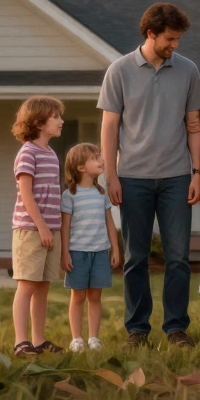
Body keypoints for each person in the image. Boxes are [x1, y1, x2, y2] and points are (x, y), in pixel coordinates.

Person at [98, 2, 200, 349]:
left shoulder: (187, 70)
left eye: (177, 39)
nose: (175, 44)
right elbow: (110, 126)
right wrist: (111, 177)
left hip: (176, 177)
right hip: (132, 178)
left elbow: (193, 126)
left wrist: (197, 173)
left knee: (177, 258)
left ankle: (176, 328)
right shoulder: (119, 70)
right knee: (136, 258)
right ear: (151, 34)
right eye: (170, 38)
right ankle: (137, 330)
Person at [9, 95, 66, 357]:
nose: (61, 121)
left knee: (43, 285)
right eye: (56, 117)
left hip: (49, 229)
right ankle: (21, 342)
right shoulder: (27, 153)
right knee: (27, 285)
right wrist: (41, 226)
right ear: (39, 122)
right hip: (31, 230)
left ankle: (39, 340)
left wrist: (52, 228)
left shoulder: (51, 154)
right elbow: (27, 194)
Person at [60, 143, 121, 352]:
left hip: (100, 253)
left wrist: (115, 248)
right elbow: (65, 227)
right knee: (77, 297)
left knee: (95, 297)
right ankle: (76, 339)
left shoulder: (101, 193)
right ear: (81, 167)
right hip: (77, 254)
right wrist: (65, 252)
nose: (101, 160)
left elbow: (109, 222)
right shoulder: (69, 196)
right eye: (95, 157)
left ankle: (94, 338)